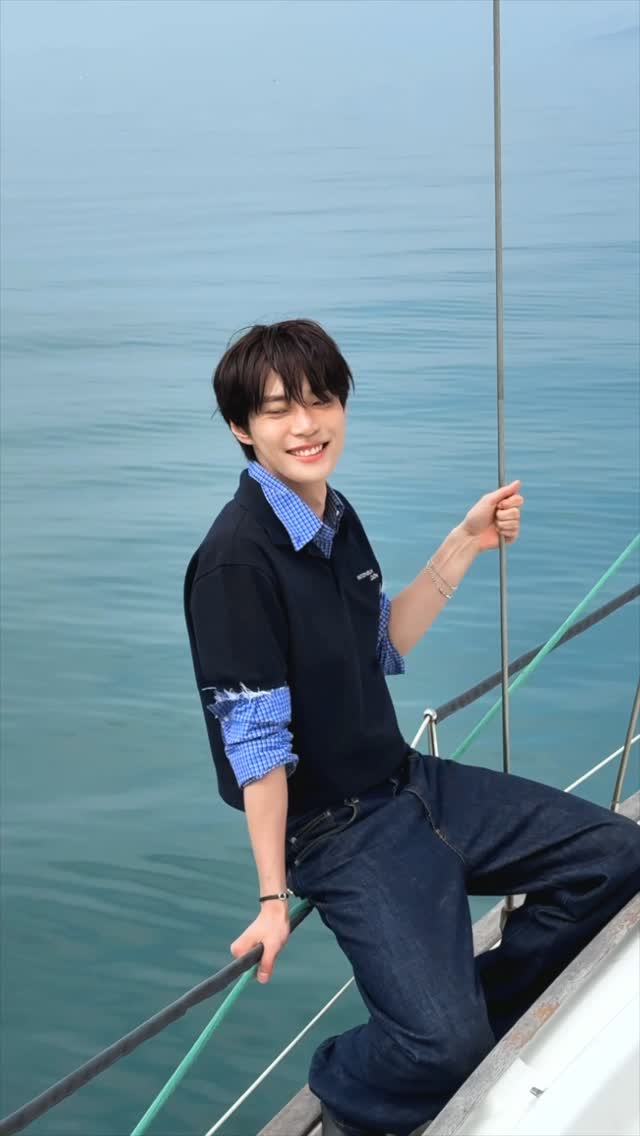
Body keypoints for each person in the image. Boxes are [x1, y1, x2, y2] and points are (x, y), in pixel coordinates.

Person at [184, 319, 640, 1136]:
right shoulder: (235, 563)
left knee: (617, 858)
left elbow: (381, 643)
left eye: (322, 401)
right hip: (337, 832)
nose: (307, 425)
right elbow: (256, 747)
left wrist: (464, 542)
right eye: (279, 409)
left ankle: (472, 1023)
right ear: (240, 429)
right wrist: (271, 898)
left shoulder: (331, 515)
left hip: (410, 784)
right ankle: (351, 1083)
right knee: (437, 1049)